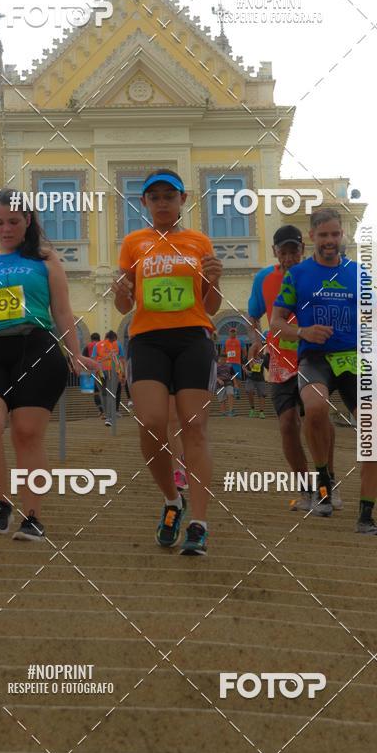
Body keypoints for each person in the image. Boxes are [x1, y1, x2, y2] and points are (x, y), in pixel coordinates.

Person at [0, 188, 98, 541]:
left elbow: (62, 310)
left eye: (13, 221)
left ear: (28, 221)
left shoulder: (45, 260)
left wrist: (75, 353)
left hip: (37, 349)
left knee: (27, 434)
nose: (6, 229)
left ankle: (32, 516)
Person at [112, 168, 222, 556]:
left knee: (195, 429)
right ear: (144, 203)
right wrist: (119, 289)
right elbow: (124, 304)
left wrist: (216, 281)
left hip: (193, 337)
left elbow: (210, 306)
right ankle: (173, 500)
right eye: (154, 197)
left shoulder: (199, 242)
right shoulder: (133, 243)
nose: (162, 203)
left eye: (169, 196)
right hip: (147, 340)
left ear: (183, 200)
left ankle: (199, 523)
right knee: (152, 423)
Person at [270, 208, 377, 535]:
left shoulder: (358, 274)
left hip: (352, 360)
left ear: (342, 236)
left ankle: (366, 515)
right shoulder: (298, 275)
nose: (330, 241)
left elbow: (375, 314)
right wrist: (303, 333)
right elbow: (276, 323)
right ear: (313, 238)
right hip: (315, 358)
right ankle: (324, 481)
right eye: (323, 235)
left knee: (376, 430)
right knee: (316, 408)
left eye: (335, 234)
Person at [248, 224, 337, 511]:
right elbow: (254, 317)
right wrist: (255, 340)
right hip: (280, 364)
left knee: (318, 416)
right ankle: (306, 490)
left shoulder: (319, 275)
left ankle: (328, 483)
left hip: (315, 359)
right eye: (283, 252)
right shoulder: (263, 279)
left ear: (303, 250)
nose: (289, 258)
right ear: (275, 252)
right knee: (288, 425)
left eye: (294, 252)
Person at [91, 330, 125, 426]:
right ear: (114, 338)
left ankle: (107, 415)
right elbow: (122, 359)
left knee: (103, 393)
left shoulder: (97, 345)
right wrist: (123, 374)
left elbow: (93, 359)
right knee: (111, 393)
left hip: (100, 371)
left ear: (105, 337)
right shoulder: (117, 344)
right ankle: (110, 417)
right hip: (112, 371)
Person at [245, 341, 268, 418]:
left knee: (262, 395)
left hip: (260, 378)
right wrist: (246, 371)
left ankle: (261, 412)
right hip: (250, 378)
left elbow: (268, 367)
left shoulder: (263, 357)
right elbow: (244, 365)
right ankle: (252, 409)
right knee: (249, 391)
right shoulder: (249, 355)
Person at [83, 332, 103, 419]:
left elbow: (84, 359)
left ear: (91, 339)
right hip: (103, 371)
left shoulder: (87, 346)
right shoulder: (102, 345)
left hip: (92, 372)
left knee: (96, 393)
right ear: (99, 338)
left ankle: (101, 410)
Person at [223, 326, 243, 398]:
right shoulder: (225, 341)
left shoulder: (240, 341)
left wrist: (242, 358)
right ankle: (231, 392)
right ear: (229, 333)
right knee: (229, 378)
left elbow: (244, 352)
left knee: (238, 378)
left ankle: (237, 392)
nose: (232, 333)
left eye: (234, 332)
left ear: (236, 333)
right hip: (228, 363)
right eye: (231, 332)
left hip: (237, 363)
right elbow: (223, 352)